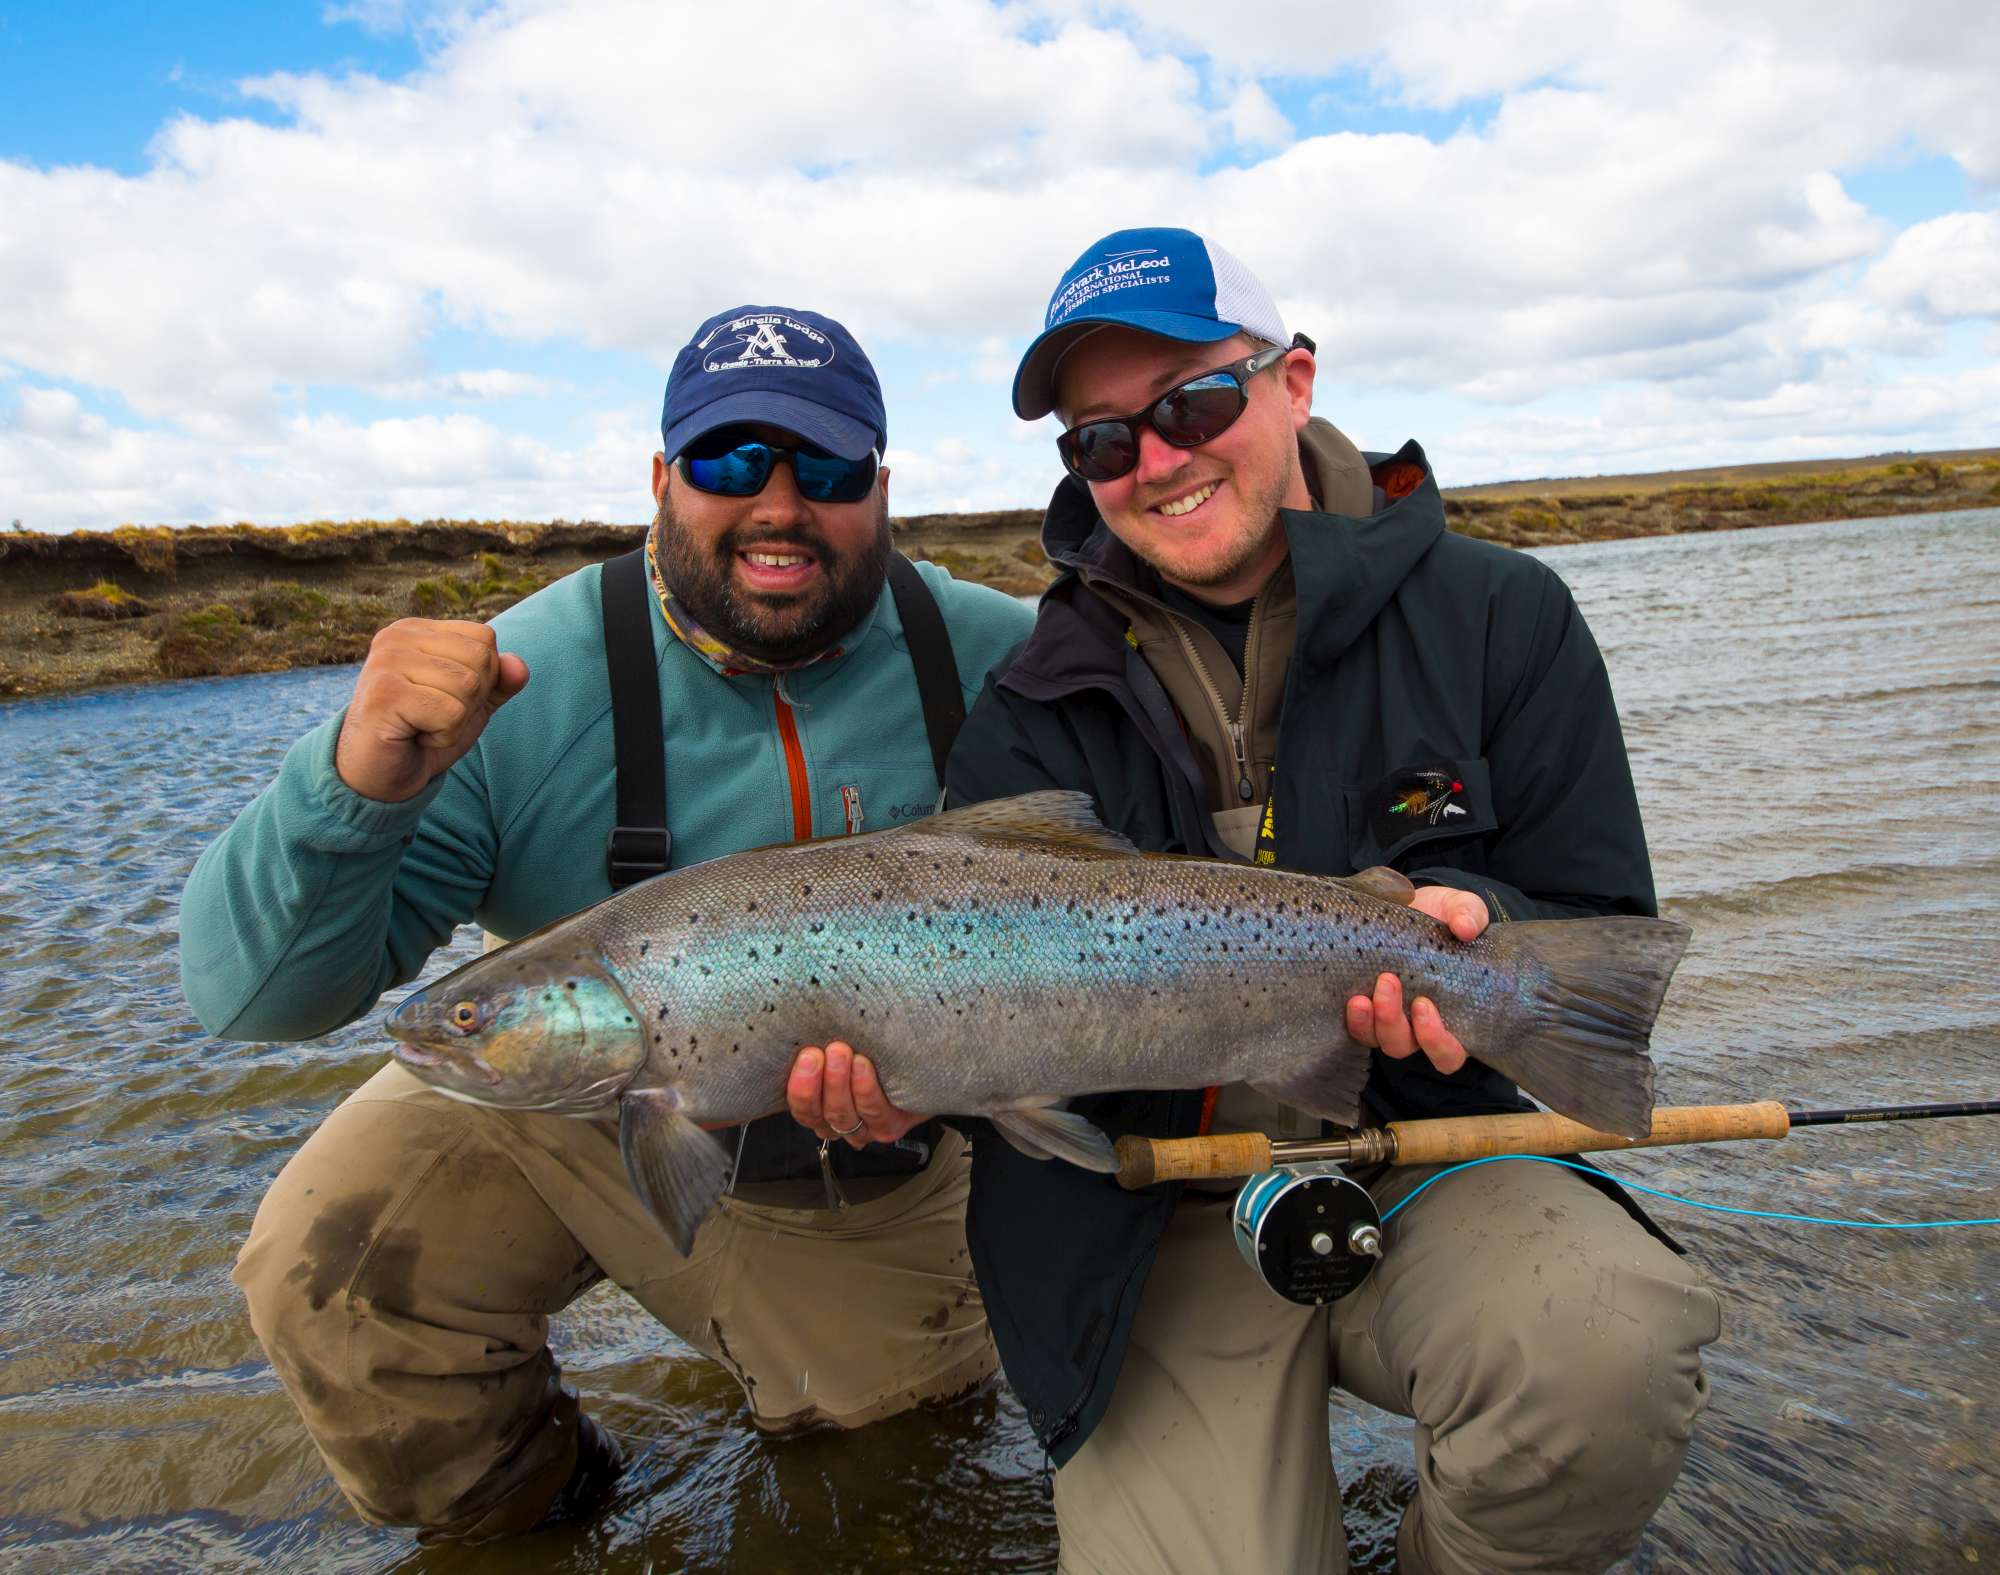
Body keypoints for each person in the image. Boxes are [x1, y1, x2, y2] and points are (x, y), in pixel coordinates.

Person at [178, 304, 1033, 1541]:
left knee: (891, 1481)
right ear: (660, 480)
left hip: (870, 1157)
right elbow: (256, 1001)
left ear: (883, 488)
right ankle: (540, 1516)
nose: (778, 505)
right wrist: (351, 786)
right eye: (730, 462)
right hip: (563, 1089)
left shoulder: (1002, 653)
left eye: (827, 468)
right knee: (332, 1273)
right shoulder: (517, 686)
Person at [940, 229, 1725, 1574]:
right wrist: (903, 1073)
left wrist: (1472, 919)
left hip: (1424, 1158)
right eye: (1103, 443)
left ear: (1294, 380)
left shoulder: (1502, 614)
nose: (1160, 459)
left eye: (1194, 404)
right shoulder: (1025, 700)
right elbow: (986, 1021)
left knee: (1604, 1350)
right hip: (1147, 1223)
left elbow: (1591, 901)